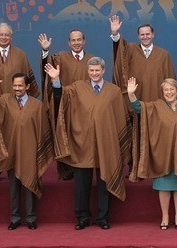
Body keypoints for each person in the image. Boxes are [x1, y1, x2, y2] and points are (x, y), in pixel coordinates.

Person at [46, 57, 130, 230]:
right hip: (82, 143)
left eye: (97, 70)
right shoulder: (77, 87)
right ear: (88, 71)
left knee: (104, 182)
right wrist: (55, 80)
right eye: (91, 70)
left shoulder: (114, 91)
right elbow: (61, 97)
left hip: (106, 143)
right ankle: (82, 217)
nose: (94, 73)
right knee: (81, 185)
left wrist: (117, 144)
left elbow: (121, 119)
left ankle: (103, 218)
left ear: (103, 71)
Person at [127, 77, 177, 230]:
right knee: (164, 187)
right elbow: (138, 108)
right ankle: (165, 215)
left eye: (171, 89)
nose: (169, 92)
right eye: (166, 90)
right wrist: (131, 94)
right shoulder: (156, 106)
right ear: (162, 92)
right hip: (161, 153)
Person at [0, 72, 53, 230]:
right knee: (13, 187)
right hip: (11, 151)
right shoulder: (4, 101)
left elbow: (43, 130)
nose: (16, 88)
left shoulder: (37, 105)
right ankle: (15, 218)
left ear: (27, 86)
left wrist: (39, 152)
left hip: (30, 152)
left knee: (30, 185)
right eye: (14, 85)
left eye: (20, 86)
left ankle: (30, 218)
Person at [38, 29, 95, 180]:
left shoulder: (92, 60)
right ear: (69, 42)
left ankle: (83, 166)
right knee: (64, 134)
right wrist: (45, 50)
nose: (76, 43)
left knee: (82, 137)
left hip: (85, 106)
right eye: (73, 40)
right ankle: (66, 170)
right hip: (64, 103)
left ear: (84, 41)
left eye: (79, 40)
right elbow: (47, 69)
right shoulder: (60, 57)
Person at [110, 15, 175, 103]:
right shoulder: (131, 49)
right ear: (138, 36)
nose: (145, 37)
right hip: (136, 98)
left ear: (153, 35)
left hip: (158, 100)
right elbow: (121, 50)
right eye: (142, 35)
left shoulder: (163, 54)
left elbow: (170, 79)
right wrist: (115, 34)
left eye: (147, 34)